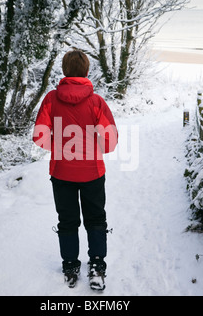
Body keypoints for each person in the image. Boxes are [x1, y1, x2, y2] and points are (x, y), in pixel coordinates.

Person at [32, 49, 118, 290]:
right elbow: (110, 141)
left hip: (61, 173)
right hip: (92, 172)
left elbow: (39, 137)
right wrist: (94, 148)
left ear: (64, 71)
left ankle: (70, 267)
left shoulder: (51, 99)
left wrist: (59, 147)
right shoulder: (97, 102)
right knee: (96, 219)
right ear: (87, 71)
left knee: (67, 221)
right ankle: (97, 268)